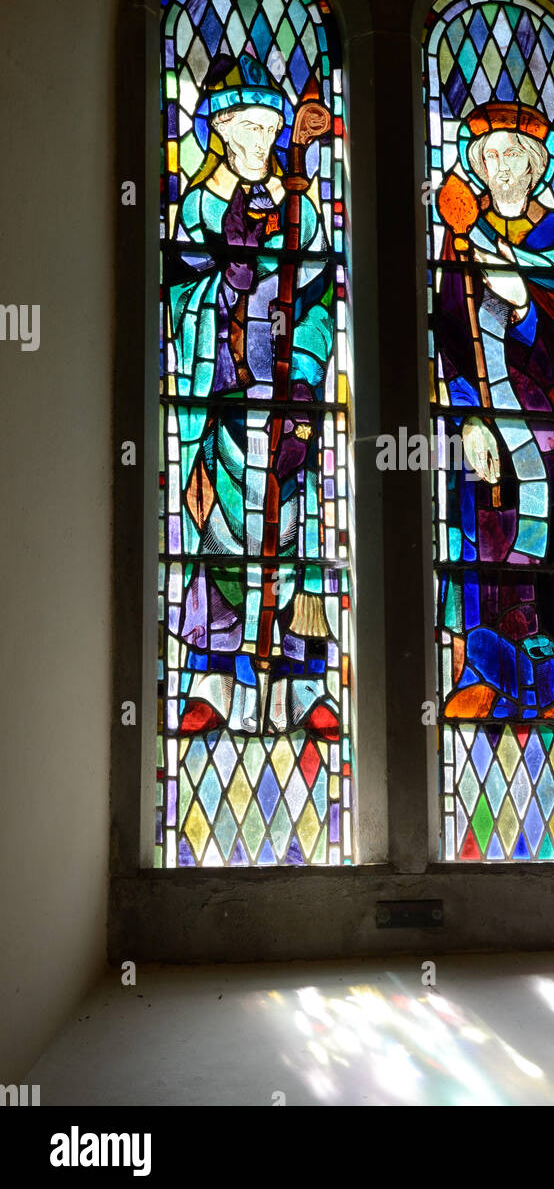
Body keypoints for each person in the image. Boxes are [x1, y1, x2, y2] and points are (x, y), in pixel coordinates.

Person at [165, 52, 339, 740]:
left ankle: (298, 689)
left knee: (296, 545)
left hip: (291, 407)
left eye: (270, 128)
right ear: (219, 130)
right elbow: (181, 298)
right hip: (229, 404)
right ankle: (211, 679)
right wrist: (225, 286)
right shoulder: (201, 206)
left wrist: (304, 376)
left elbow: (321, 300)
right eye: (246, 127)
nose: (259, 141)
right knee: (221, 540)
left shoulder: (303, 211)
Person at [435, 102, 554, 722]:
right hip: (486, 420)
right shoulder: (459, 242)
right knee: (485, 538)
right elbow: (450, 331)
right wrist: (468, 416)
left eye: (512, 158)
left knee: (553, 533)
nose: (501, 169)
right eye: (489, 158)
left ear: (534, 168)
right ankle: (482, 672)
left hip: (544, 415)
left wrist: (525, 301)